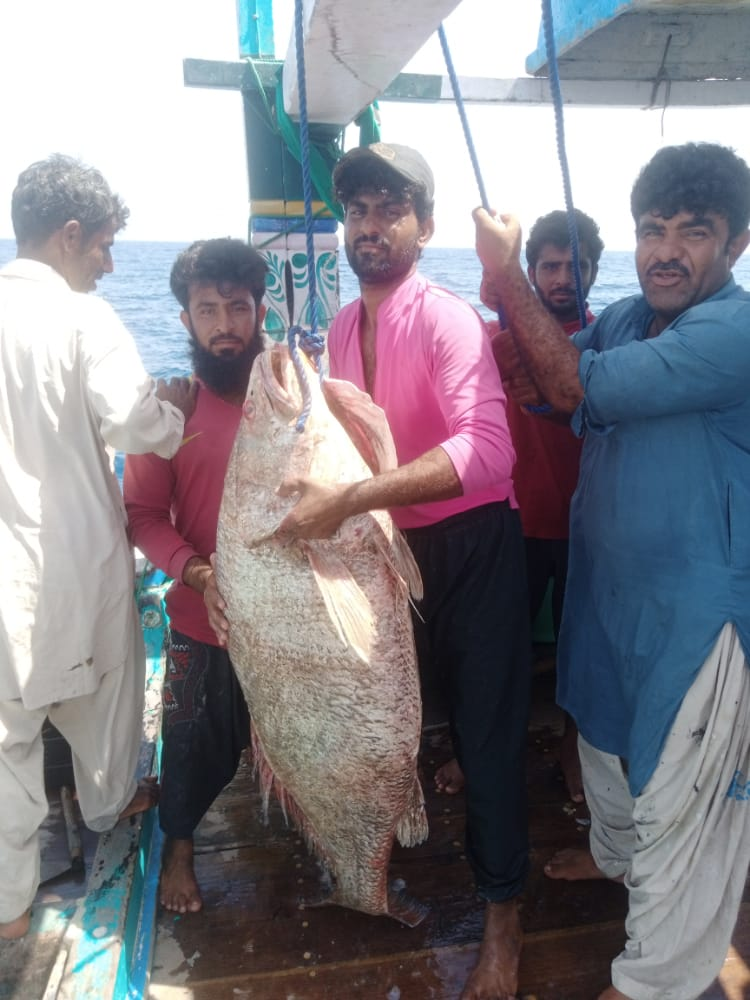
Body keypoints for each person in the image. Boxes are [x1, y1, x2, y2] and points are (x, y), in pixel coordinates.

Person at [473, 142, 750, 1000]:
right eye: (651, 230)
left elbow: (568, 383)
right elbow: (533, 367)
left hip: (696, 621)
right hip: (608, 603)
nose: (666, 249)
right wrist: (495, 298)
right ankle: (615, 860)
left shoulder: (733, 332)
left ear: (738, 243)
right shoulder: (631, 319)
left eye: (693, 233)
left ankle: (657, 980)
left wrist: (506, 267)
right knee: (602, 748)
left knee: (683, 805)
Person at [275, 142, 531, 1000]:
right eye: (358, 210)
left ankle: (503, 918)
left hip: (474, 546)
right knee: (397, 720)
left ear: (423, 223)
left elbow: (488, 452)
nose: (371, 226)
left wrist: (348, 500)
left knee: (491, 740)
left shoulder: (448, 317)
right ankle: (376, 855)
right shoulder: (346, 326)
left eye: (391, 208)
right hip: (394, 551)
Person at [0, 154, 195, 940]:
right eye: (106, 245)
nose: (112, 263)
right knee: (108, 692)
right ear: (71, 235)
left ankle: (9, 908)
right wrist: (175, 410)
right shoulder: (84, 318)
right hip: (68, 564)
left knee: (8, 741)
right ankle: (113, 802)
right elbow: (132, 424)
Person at [437, 210, 603, 805]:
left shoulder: (604, 340)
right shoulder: (491, 332)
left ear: (594, 271)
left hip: (588, 528)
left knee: (582, 651)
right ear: (529, 273)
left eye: (576, 266)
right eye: (550, 266)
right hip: (513, 523)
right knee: (494, 651)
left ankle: (571, 748)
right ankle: (471, 750)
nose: (563, 277)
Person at [124, 239, 268, 915]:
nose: (224, 323)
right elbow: (145, 515)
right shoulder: (165, 412)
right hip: (198, 616)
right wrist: (198, 573)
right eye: (206, 308)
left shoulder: (292, 395)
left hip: (285, 619)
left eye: (237, 306)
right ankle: (180, 847)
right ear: (184, 319)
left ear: (259, 309)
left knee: (293, 737)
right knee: (190, 742)